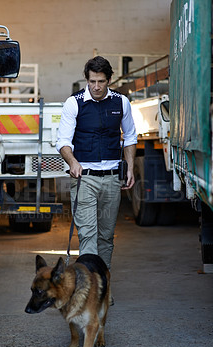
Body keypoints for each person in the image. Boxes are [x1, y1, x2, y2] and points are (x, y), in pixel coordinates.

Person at [56, 56, 137, 270]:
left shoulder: (121, 102)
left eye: (101, 81)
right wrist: (72, 162)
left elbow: (130, 136)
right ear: (87, 79)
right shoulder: (74, 103)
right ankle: (89, 289)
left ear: (109, 79)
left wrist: (129, 166)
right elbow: (63, 141)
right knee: (88, 236)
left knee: (106, 236)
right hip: (84, 178)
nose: (96, 87)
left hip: (111, 179)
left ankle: (103, 285)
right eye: (92, 81)